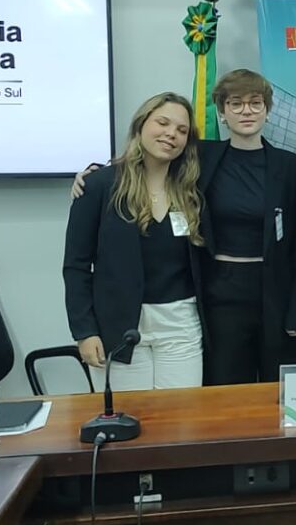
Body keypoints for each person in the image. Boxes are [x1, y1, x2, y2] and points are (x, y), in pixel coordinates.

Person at [64, 92, 206, 389]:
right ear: (141, 125)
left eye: (182, 131)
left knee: (183, 424)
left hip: (180, 324)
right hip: (119, 325)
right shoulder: (99, 186)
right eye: (163, 123)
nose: (171, 134)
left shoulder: (192, 191)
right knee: (129, 424)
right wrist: (84, 332)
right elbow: (76, 267)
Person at [195, 69, 296, 384]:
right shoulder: (202, 158)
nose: (246, 111)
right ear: (222, 112)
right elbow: (152, 157)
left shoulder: (290, 166)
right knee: (228, 395)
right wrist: (97, 171)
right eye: (235, 104)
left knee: (285, 393)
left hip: (277, 290)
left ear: (267, 109)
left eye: (255, 103)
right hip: (223, 294)